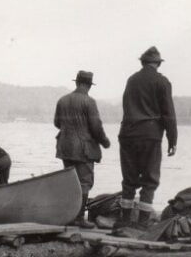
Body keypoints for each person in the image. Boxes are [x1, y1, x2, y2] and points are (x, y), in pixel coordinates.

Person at [114, 46, 177, 232]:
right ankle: (142, 223)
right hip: (150, 135)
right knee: (150, 178)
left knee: (129, 179)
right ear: (158, 63)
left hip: (127, 133)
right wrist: (172, 140)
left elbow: (127, 106)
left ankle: (124, 220)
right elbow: (169, 114)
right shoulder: (162, 82)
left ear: (142, 62)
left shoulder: (131, 80)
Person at [54, 70, 110, 228]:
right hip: (83, 149)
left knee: (71, 182)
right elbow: (96, 127)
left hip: (65, 147)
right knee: (84, 183)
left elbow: (57, 123)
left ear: (77, 82)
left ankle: (68, 216)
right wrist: (104, 141)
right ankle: (78, 218)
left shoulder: (62, 100)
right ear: (89, 85)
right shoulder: (89, 101)